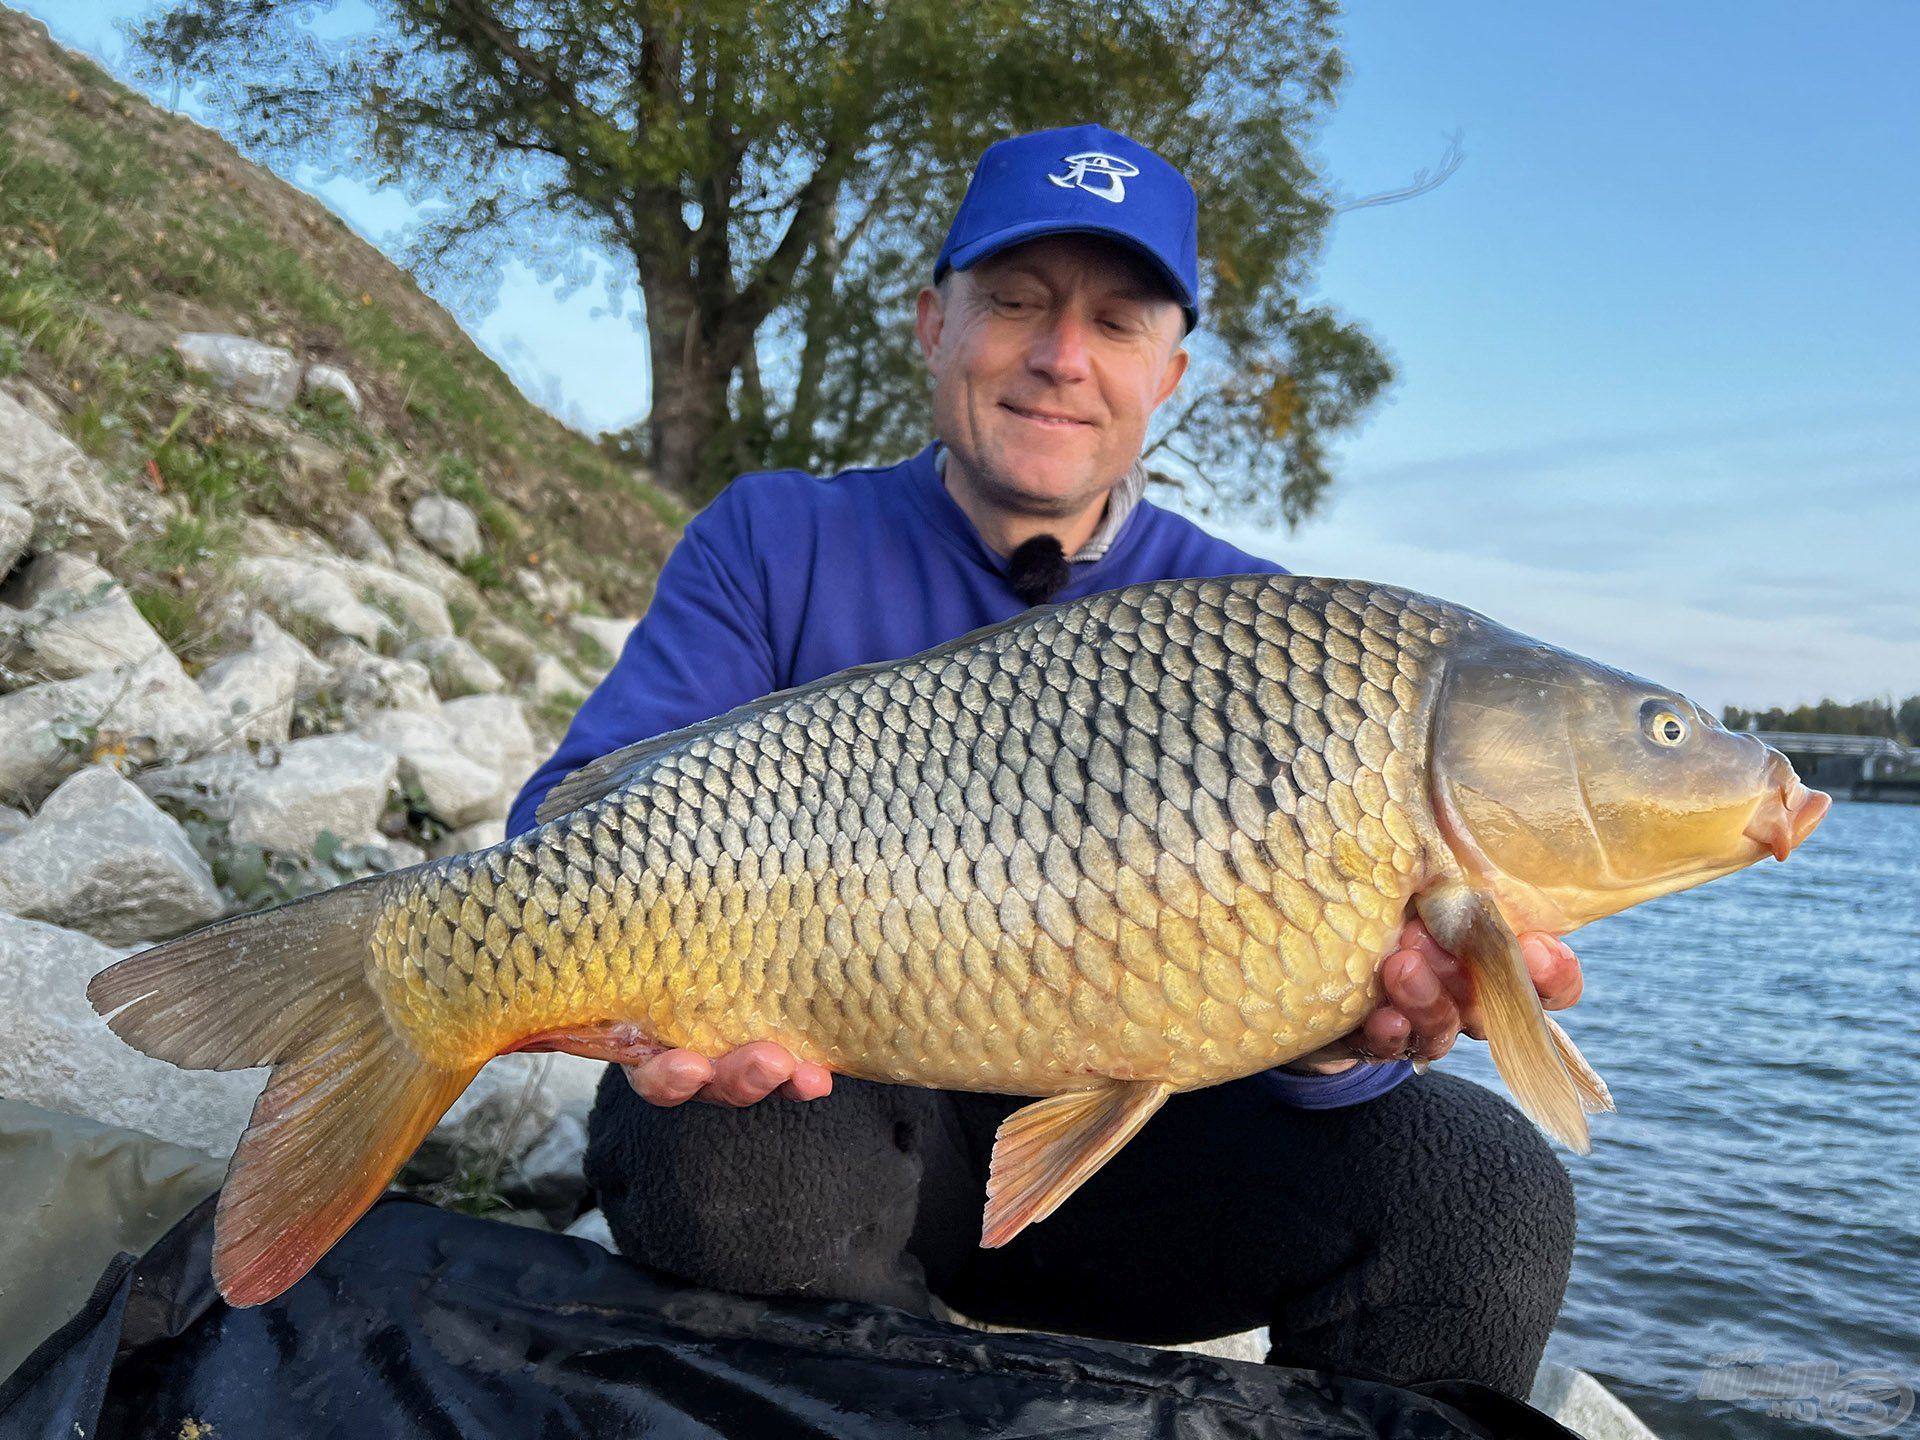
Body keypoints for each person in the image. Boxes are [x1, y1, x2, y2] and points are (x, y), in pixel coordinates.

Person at [507, 123, 1581, 1400]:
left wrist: (1345, 1042)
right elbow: (559, 839)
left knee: (1485, 1189)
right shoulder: (774, 537)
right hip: (842, 1126)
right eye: (1016, 302)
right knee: (720, 1142)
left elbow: (1311, 1073)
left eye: (1117, 323)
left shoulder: (1269, 625)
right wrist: (623, 986)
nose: (1061, 358)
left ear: (1169, 373)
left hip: (1143, 1173)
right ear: (932, 322)